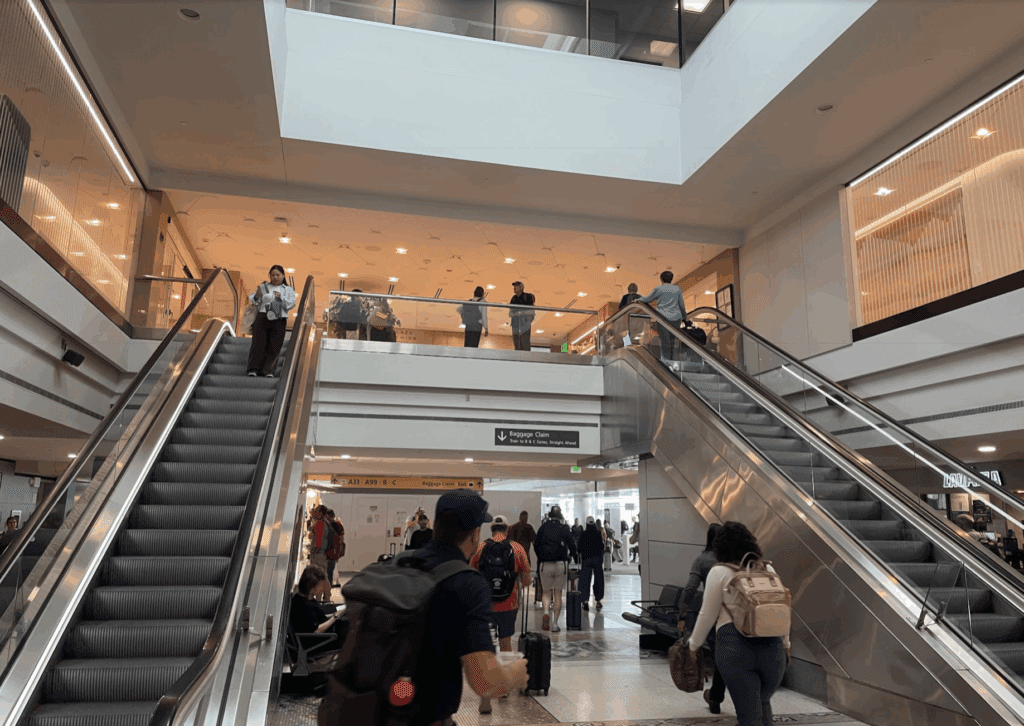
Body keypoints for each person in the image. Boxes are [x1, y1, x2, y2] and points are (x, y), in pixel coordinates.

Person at [414, 489, 529, 725]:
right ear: (474, 533)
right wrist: (515, 674)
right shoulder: (465, 583)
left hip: (375, 703)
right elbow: (485, 680)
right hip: (426, 715)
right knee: (503, 642)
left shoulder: (404, 563)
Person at [689, 522, 789, 726]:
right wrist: (786, 645)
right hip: (773, 650)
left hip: (735, 648)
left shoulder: (720, 572)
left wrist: (693, 645)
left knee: (749, 717)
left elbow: (707, 614)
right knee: (762, 704)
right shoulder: (767, 567)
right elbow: (782, 607)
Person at [469, 515, 531, 713]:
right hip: (509, 603)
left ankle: (485, 699)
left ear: (491, 529)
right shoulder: (517, 548)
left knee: (484, 649)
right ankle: (503, 689)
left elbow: (471, 573)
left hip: (485, 604)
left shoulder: (480, 548)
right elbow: (528, 580)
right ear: (506, 529)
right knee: (505, 642)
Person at [679, 523, 727, 714]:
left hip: (715, 616)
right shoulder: (732, 559)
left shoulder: (702, 560)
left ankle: (716, 697)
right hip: (738, 615)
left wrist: (682, 613)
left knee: (720, 657)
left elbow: (690, 588)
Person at [533, 505, 578, 632]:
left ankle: (546, 612)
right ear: (560, 516)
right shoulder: (564, 528)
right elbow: (572, 545)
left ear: (550, 515)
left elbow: (536, 545)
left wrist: (541, 557)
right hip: (561, 564)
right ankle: (554, 624)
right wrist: (571, 557)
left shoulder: (543, 527)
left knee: (546, 592)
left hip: (545, 564)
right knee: (558, 594)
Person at [247, 264, 296, 377]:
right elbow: (252, 298)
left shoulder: (288, 289)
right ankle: (253, 369)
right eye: (273, 275)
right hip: (263, 315)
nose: (275, 277)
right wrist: (257, 296)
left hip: (279, 317)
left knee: (274, 344)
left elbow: (291, 304)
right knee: (258, 343)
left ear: (283, 276)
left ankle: (268, 370)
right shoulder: (265, 286)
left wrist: (281, 298)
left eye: (278, 275)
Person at [637, 270, 686, 361]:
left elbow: (647, 299)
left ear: (661, 279)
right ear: (671, 279)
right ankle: (673, 361)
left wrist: (637, 299)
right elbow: (681, 305)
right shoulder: (677, 289)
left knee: (665, 342)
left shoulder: (658, 289)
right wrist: (685, 317)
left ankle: (667, 363)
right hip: (676, 319)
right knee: (673, 342)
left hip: (663, 319)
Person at [290, 565, 343, 636]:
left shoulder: (307, 598)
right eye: (320, 586)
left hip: (327, 631)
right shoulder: (304, 606)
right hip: (327, 638)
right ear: (312, 588)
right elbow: (316, 631)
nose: (322, 588)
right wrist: (335, 617)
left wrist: (336, 614)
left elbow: (318, 617)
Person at [577, 516, 605, 611]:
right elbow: (601, 547)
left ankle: (585, 601)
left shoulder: (583, 534)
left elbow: (579, 548)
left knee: (585, 580)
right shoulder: (598, 534)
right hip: (597, 560)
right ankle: (598, 601)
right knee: (599, 580)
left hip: (586, 560)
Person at [509, 281, 536, 351]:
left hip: (525, 324)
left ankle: (526, 360)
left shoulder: (527, 297)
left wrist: (521, 313)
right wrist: (516, 314)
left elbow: (531, 311)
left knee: (525, 344)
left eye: (516, 286)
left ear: (521, 287)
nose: (514, 288)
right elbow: (510, 313)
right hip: (515, 324)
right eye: (514, 286)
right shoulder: (513, 298)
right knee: (517, 345)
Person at [309, 505, 333, 574]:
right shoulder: (325, 523)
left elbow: (319, 542)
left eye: (316, 511)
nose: (314, 512)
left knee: (316, 575)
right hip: (322, 554)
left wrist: (314, 551)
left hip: (318, 555)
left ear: (321, 513)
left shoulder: (320, 524)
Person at [324, 509, 345, 586]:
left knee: (328, 571)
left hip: (329, 551)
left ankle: (328, 588)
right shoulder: (338, 525)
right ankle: (328, 588)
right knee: (330, 570)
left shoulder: (328, 525)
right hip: (335, 551)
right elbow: (342, 538)